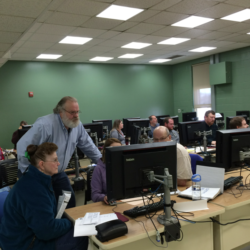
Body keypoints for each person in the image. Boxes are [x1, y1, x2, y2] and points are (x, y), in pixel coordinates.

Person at [17, 96, 102, 208]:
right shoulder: (44, 125)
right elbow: (22, 147)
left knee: (68, 202)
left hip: (57, 172)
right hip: (38, 174)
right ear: (60, 112)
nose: (76, 115)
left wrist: (103, 163)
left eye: (77, 112)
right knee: (43, 206)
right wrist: (30, 173)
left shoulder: (77, 126)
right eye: (72, 112)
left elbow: (88, 145)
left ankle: (65, 224)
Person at [0, 142, 88, 250]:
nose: (59, 163)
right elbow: (46, 231)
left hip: (23, 238)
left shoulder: (35, 180)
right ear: (42, 165)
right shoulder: (33, 189)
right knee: (82, 236)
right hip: (24, 244)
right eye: (55, 160)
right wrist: (71, 222)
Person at [91, 138, 122, 204]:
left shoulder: (123, 166)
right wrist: (104, 197)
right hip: (109, 204)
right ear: (106, 151)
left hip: (124, 201)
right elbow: (94, 195)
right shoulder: (98, 169)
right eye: (114, 150)